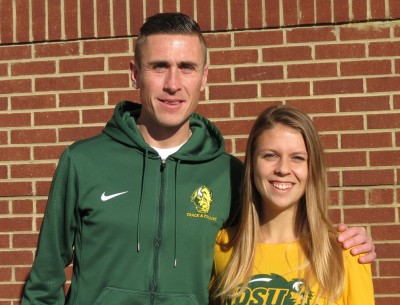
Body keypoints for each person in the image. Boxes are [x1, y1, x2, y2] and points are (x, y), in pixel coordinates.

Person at [21, 13, 375, 305]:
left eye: (187, 67)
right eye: (159, 66)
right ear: (134, 73)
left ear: (204, 76)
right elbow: (44, 281)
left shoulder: (231, 174)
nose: (173, 83)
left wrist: (345, 241)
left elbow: (274, 229)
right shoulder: (84, 162)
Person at [211, 105, 375, 305]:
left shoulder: (345, 254)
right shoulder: (220, 246)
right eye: (270, 155)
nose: (283, 169)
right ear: (252, 164)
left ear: (312, 168)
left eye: (297, 158)